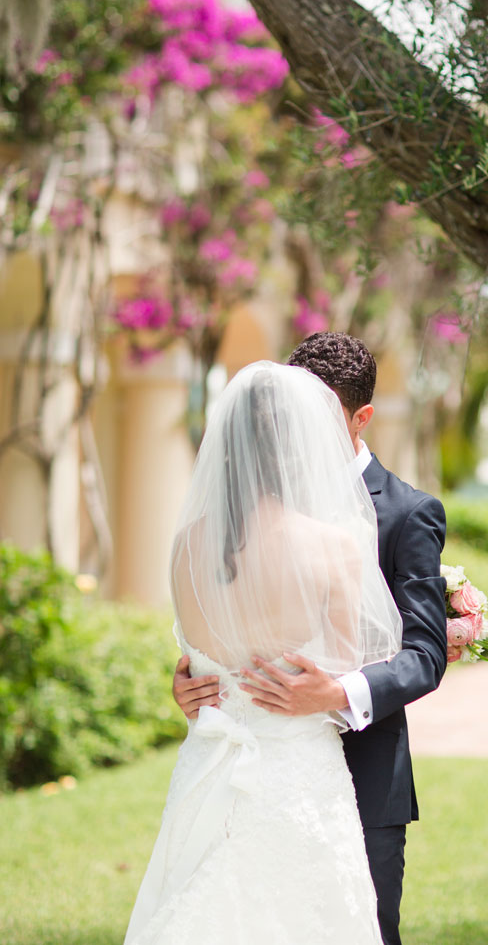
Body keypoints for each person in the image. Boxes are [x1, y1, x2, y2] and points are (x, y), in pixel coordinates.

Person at [173, 333, 448, 945]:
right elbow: (226, 631)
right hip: (253, 773)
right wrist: (193, 672)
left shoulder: (408, 512)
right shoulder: (263, 525)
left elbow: (424, 654)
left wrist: (336, 692)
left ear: (360, 417)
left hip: (361, 779)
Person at [124, 360, 403, 945]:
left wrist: (198, 681)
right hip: (298, 772)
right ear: (300, 446)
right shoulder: (334, 547)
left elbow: (196, 654)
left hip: (209, 765)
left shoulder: (184, 545)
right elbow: (339, 675)